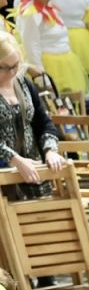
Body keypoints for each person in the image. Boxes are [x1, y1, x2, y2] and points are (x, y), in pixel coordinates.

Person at [0, 33, 68, 207]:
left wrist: (50, 150)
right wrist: (15, 160)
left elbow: (44, 122)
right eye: (5, 67)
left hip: (34, 172)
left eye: (16, 65)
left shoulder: (23, 83)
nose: (13, 72)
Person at [14, 0, 85, 102]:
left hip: (65, 62)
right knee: (55, 105)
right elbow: (31, 46)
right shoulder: (31, 13)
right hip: (49, 67)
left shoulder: (49, 7)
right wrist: (41, 78)